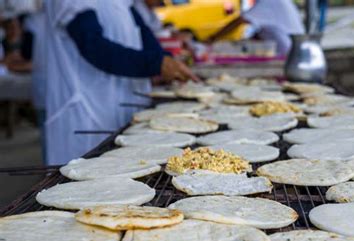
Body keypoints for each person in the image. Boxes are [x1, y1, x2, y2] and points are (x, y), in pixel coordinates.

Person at [43, 0, 197, 165]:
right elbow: (93, 46)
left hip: (121, 107)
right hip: (86, 111)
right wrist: (156, 63)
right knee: (83, 175)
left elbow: (145, 36)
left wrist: (168, 60)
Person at [208, 0, 304, 56]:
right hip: (292, 49)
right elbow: (269, 26)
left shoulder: (268, 2)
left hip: (289, 52)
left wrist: (213, 38)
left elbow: (240, 21)